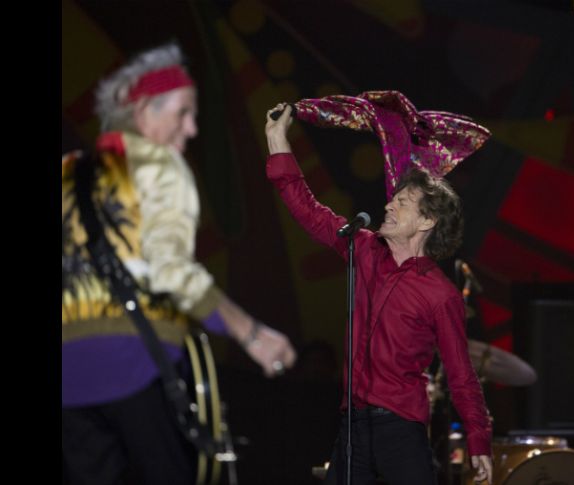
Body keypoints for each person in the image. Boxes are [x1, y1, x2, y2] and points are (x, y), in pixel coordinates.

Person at [62, 43, 296, 485]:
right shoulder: (159, 164)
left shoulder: (68, 170)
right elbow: (170, 269)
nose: (189, 130)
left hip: (68, 380)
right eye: (183, 113)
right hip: (135, 363)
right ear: (145, 112)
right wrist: (251, 333)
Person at [265, 103, 493, 485]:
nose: (388, 204)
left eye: (401, 203)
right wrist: (277, 139)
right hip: (352, 425)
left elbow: (461, 374)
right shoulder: (364, 248)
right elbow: (309, 210)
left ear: (426, 221)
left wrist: (478, 439)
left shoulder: (441, 294)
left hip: (401, 429)